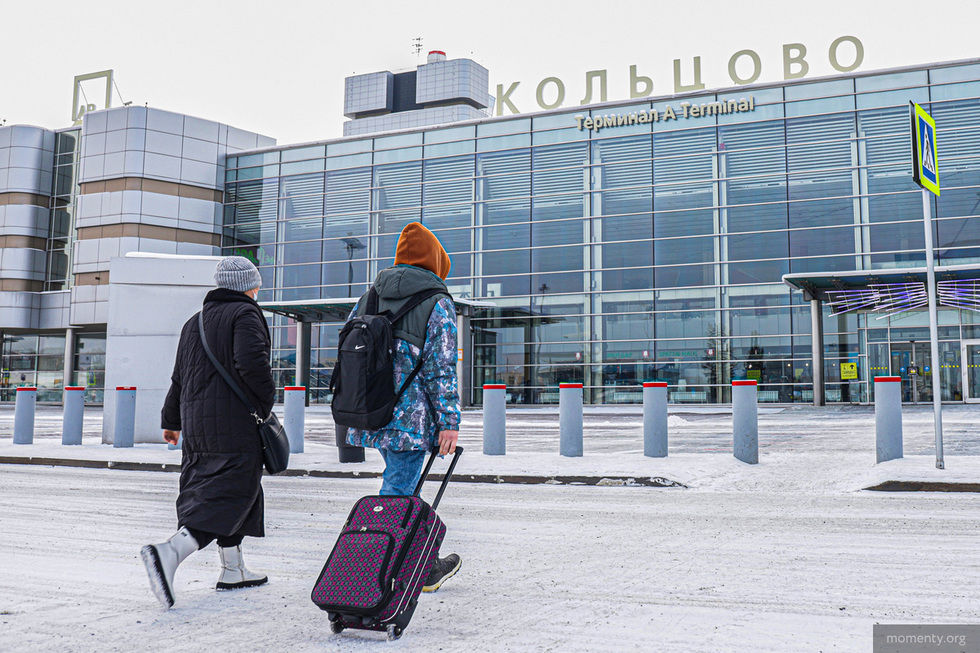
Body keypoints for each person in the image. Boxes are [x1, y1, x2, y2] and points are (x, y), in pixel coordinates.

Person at [141, 256, 276, 610]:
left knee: (234, 489)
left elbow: (179, 377)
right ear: (250, 284)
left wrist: (171, 421)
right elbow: (252, 364)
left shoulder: (194, 322)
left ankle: (233, 570)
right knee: (230, 491)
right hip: (235, 423)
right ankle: (170, 552)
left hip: (199, 426)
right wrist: (265, 403)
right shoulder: (245, 314)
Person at [345, 222, 461, 592]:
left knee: (402, 486)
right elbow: (440, 369)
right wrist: (449, 421)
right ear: (435, 261)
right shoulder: (437, 303)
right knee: (396, 493)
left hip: (370, 412)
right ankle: (369, 574)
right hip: (410, 421)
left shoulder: (369, 297)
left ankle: (424, 566)